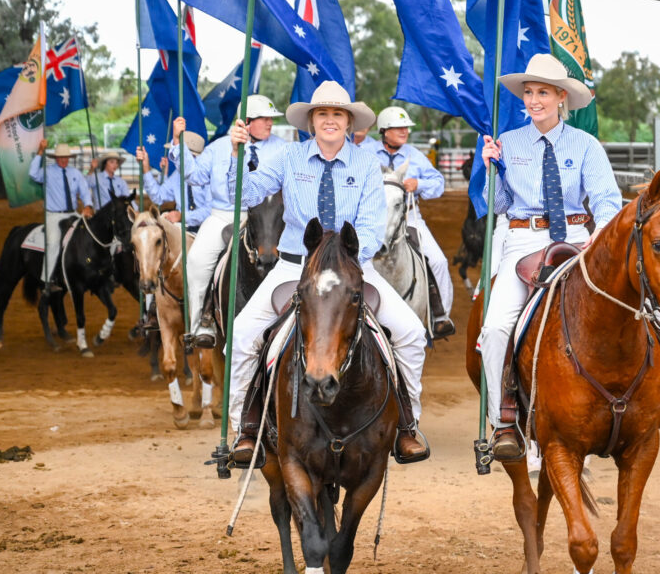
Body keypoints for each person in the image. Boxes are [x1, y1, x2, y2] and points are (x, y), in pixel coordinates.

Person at [226, 81, 428, 464]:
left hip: (354, 270)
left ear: (349, 122)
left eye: (338, 114)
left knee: (411, 334)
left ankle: (407, 425)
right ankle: (245, 428)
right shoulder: (289, 156)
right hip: (293, 267)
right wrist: (236, 156)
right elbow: (247, 195)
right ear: (311, 121)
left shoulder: (367, 163)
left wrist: (340, 269)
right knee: (240, 338)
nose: (330, 120)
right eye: (323, 114)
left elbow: (369, 227)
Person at [477, 54, 629, 461]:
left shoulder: (586, 145)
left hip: (577, 238)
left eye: (543, 92)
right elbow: (499, 205)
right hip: (524, 241)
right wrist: (490, 170)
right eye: (528, 92)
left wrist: (598, 241)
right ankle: (503, 422)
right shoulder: (508, 142)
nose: (534, 99)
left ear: (561, 97)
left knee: (634, 303)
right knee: (493, 330)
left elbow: (607, 201)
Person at [169, 95, 287, 348]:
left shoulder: (284, 148)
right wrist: (178, 143)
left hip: (271, 220)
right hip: (224, 215)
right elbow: (194, 176)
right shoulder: (218, 148)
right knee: (197, 262)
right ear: (245, 122)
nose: (270, 124)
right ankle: (203, 323)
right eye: (264, 119)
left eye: (271, 119)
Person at [359, 106, 455, 337]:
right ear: (384, 130)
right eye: (398, 128)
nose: (405, 131)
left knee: (439, 261)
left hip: (409, 216)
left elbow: (438, 183)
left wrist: (418, 184)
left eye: (406, 128)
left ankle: (439, 316)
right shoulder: (364, 150)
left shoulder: (415, 155)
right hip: (369, 216)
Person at [29, 141, 93, 292]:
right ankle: (47, 280)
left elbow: (84, 191)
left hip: (73, 213)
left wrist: (88, 206)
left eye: (66, 157)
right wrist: (40, 152)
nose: (64, 160)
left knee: (89, 236)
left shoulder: (75, 173)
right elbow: (32, 174)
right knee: (53, 243)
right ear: (56, 158)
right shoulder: (47, 171)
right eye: (61, 157)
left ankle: (88, 272)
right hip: (53, 215)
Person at [137, 132, 211, 233]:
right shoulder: (177, 175)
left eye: (176, 153)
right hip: (181, 229)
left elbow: (210, 210)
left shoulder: (208, 174)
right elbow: (158, 196)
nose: (173, 156)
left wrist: (182, 216)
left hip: (206, 229)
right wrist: (146, 168)